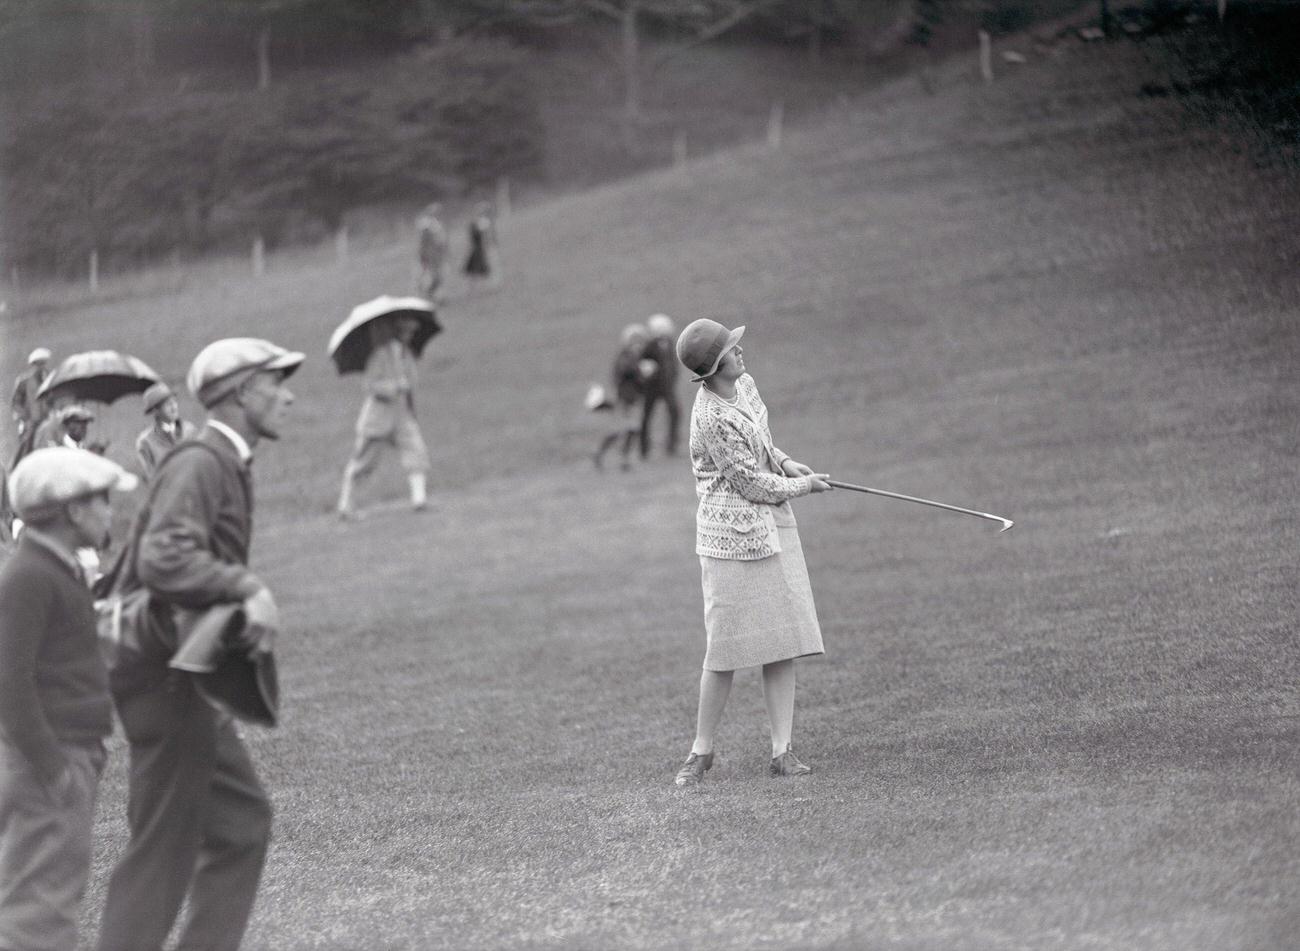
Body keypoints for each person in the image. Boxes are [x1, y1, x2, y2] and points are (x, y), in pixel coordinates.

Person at [96, 337, 302, 951]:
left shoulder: (222, 460)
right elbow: (164, 556)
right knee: (162, 849)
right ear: (242, 393)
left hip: (182, 674)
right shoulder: (203, 461)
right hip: (165, 677)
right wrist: (246, 587)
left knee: (241, 825)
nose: (288, 396)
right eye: (276, 382)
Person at [671, 318, 833, 787]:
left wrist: (784, 460)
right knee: (724, 650)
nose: (741, 352)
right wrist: (804, 485)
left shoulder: (746, 386)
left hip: (772, 524)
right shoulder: (710, 417)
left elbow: (761, 446)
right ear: (714, 365)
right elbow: (747, 482)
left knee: (782, 640)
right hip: (729, 539)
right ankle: (701, 752)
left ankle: (783, 752)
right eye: (731, 349)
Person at [0, 448, 137, 951]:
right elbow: (9, 683)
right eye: (101, 499)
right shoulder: (28, 577)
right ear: (72, 511)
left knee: (50, 897)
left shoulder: (57, 570)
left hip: (71, 752)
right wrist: (52, 767)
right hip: (50, 761)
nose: (110, 510)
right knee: (38, 912)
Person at [336, 314, 431, 518]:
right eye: (406, 331)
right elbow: (370, 385)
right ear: (398, 332)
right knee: (363, 462)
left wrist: (408, 384)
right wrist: (394, 387)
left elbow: (412, 381)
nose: (409, 335)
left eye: (411, 332)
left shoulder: (407, 355)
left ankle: (419, 500)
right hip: (377, 418)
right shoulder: (380, 355)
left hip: (402, 415)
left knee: (416, 452)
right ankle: (346, 506)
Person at [593, 323, 653, 471]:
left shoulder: (634, 357)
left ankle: (622, 459)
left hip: (633, 398)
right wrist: (642, 372)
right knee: (623, 429)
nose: (638, 345)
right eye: (635, 342)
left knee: (631, 429)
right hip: (625, 399)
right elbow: (626, 373)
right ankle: (602, 454)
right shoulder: (626, 357)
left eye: (640, 342)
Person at [639, 313, 681, 459]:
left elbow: (672, 364)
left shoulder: (670, 344)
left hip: (667, 387)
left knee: (675, 413)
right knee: (647, 416)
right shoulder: (649, 346)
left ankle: (671, 445)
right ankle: (643, 448)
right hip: (652, 388)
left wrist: (673, 378)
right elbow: (643, 366)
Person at [135, 381, 198, 478]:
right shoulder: (146, 442)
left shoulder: (189, 430)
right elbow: (151, 478)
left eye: (175, 402)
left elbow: (199, 465)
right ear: (156, 410)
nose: (174, 407)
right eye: (168, 404)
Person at [10, 347, 51, 442]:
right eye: (38, 364)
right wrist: (25, 418)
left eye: (43, 364)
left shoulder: (49, 379)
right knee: (27, 448)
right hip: (30, 423)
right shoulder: (24, 381)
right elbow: (16, 403)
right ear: (33, 365)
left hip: (47, 422)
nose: (41, 367)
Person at [414, 202, 449, 302]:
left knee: (439, 274)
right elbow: (423, 241)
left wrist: (444, 249)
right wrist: (422, 253)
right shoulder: (425, 224)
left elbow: (442, 239)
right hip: (430, 253)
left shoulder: (436, 223)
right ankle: (428, 295)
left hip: (438, 253)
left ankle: (435, 295)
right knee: (430, 275)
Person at [463, 201, 499, 286]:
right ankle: (491, 282)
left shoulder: (486, 221)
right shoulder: (480, 222)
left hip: (486, 246)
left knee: (490, 264)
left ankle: (494, 281)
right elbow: (480, 237)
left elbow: (491, 235)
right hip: (482, 247)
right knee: (477, 267)